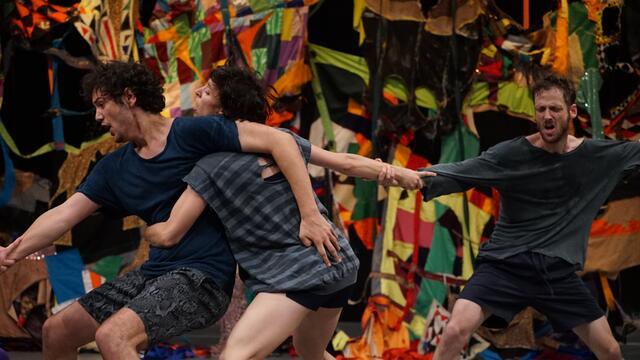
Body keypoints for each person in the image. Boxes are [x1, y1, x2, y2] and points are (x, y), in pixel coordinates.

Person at [0, 61, 339, 360]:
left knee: (112, 336)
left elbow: (281, 141)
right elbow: (63, 214)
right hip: (154, 273)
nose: (98, 116)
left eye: (102, 104)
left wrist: (312, 214)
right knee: (56, 330)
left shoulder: (193, 132)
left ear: (129, 97)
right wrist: (11, 253)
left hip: (203, 277)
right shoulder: (113, 168)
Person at [143, 65, 429, 360]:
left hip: (297, 274)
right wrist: (400, 173)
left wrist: (141, 222)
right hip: (338, 264)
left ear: (223, 111)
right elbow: (345, 162)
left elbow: (168, 233)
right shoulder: (277, 138)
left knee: (236, 356)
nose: (198, 93)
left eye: (207, 90)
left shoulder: (209, 166)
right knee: (311, 352)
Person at [421, 73, 639, 360]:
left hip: (555, 274)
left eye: (555, 109)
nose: (547, 116)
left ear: (571, 111)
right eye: (541, 110)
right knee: (454, 331)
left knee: (610, 349)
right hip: (505, 266)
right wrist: (411, 177)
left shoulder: (596, 156)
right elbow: (462, 171)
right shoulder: (513, 154)